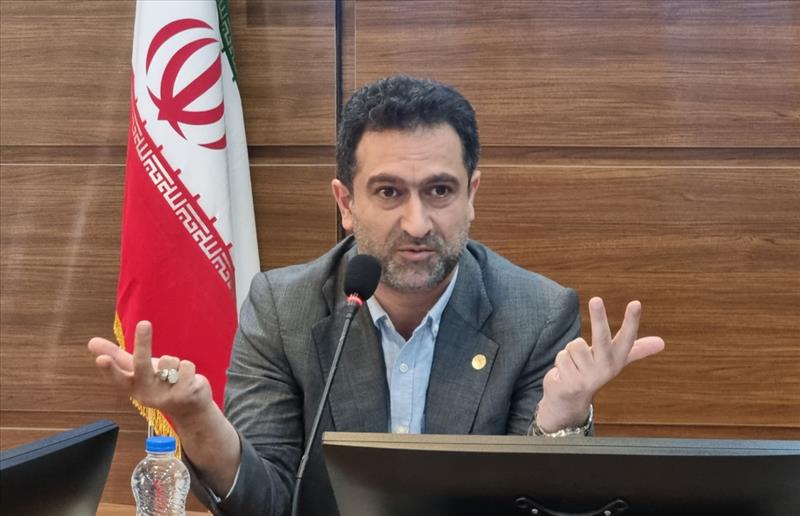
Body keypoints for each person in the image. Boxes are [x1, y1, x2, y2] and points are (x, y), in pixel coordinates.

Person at [88, 75, 665, 516]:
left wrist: (560, 422)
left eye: (440, 191)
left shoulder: (536, 314)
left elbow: (529, 507)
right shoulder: (282, 308)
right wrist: (196, 419)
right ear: (345, 203)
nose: (417, 223)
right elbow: (267, 504)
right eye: (389, 192)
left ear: (472, 195)